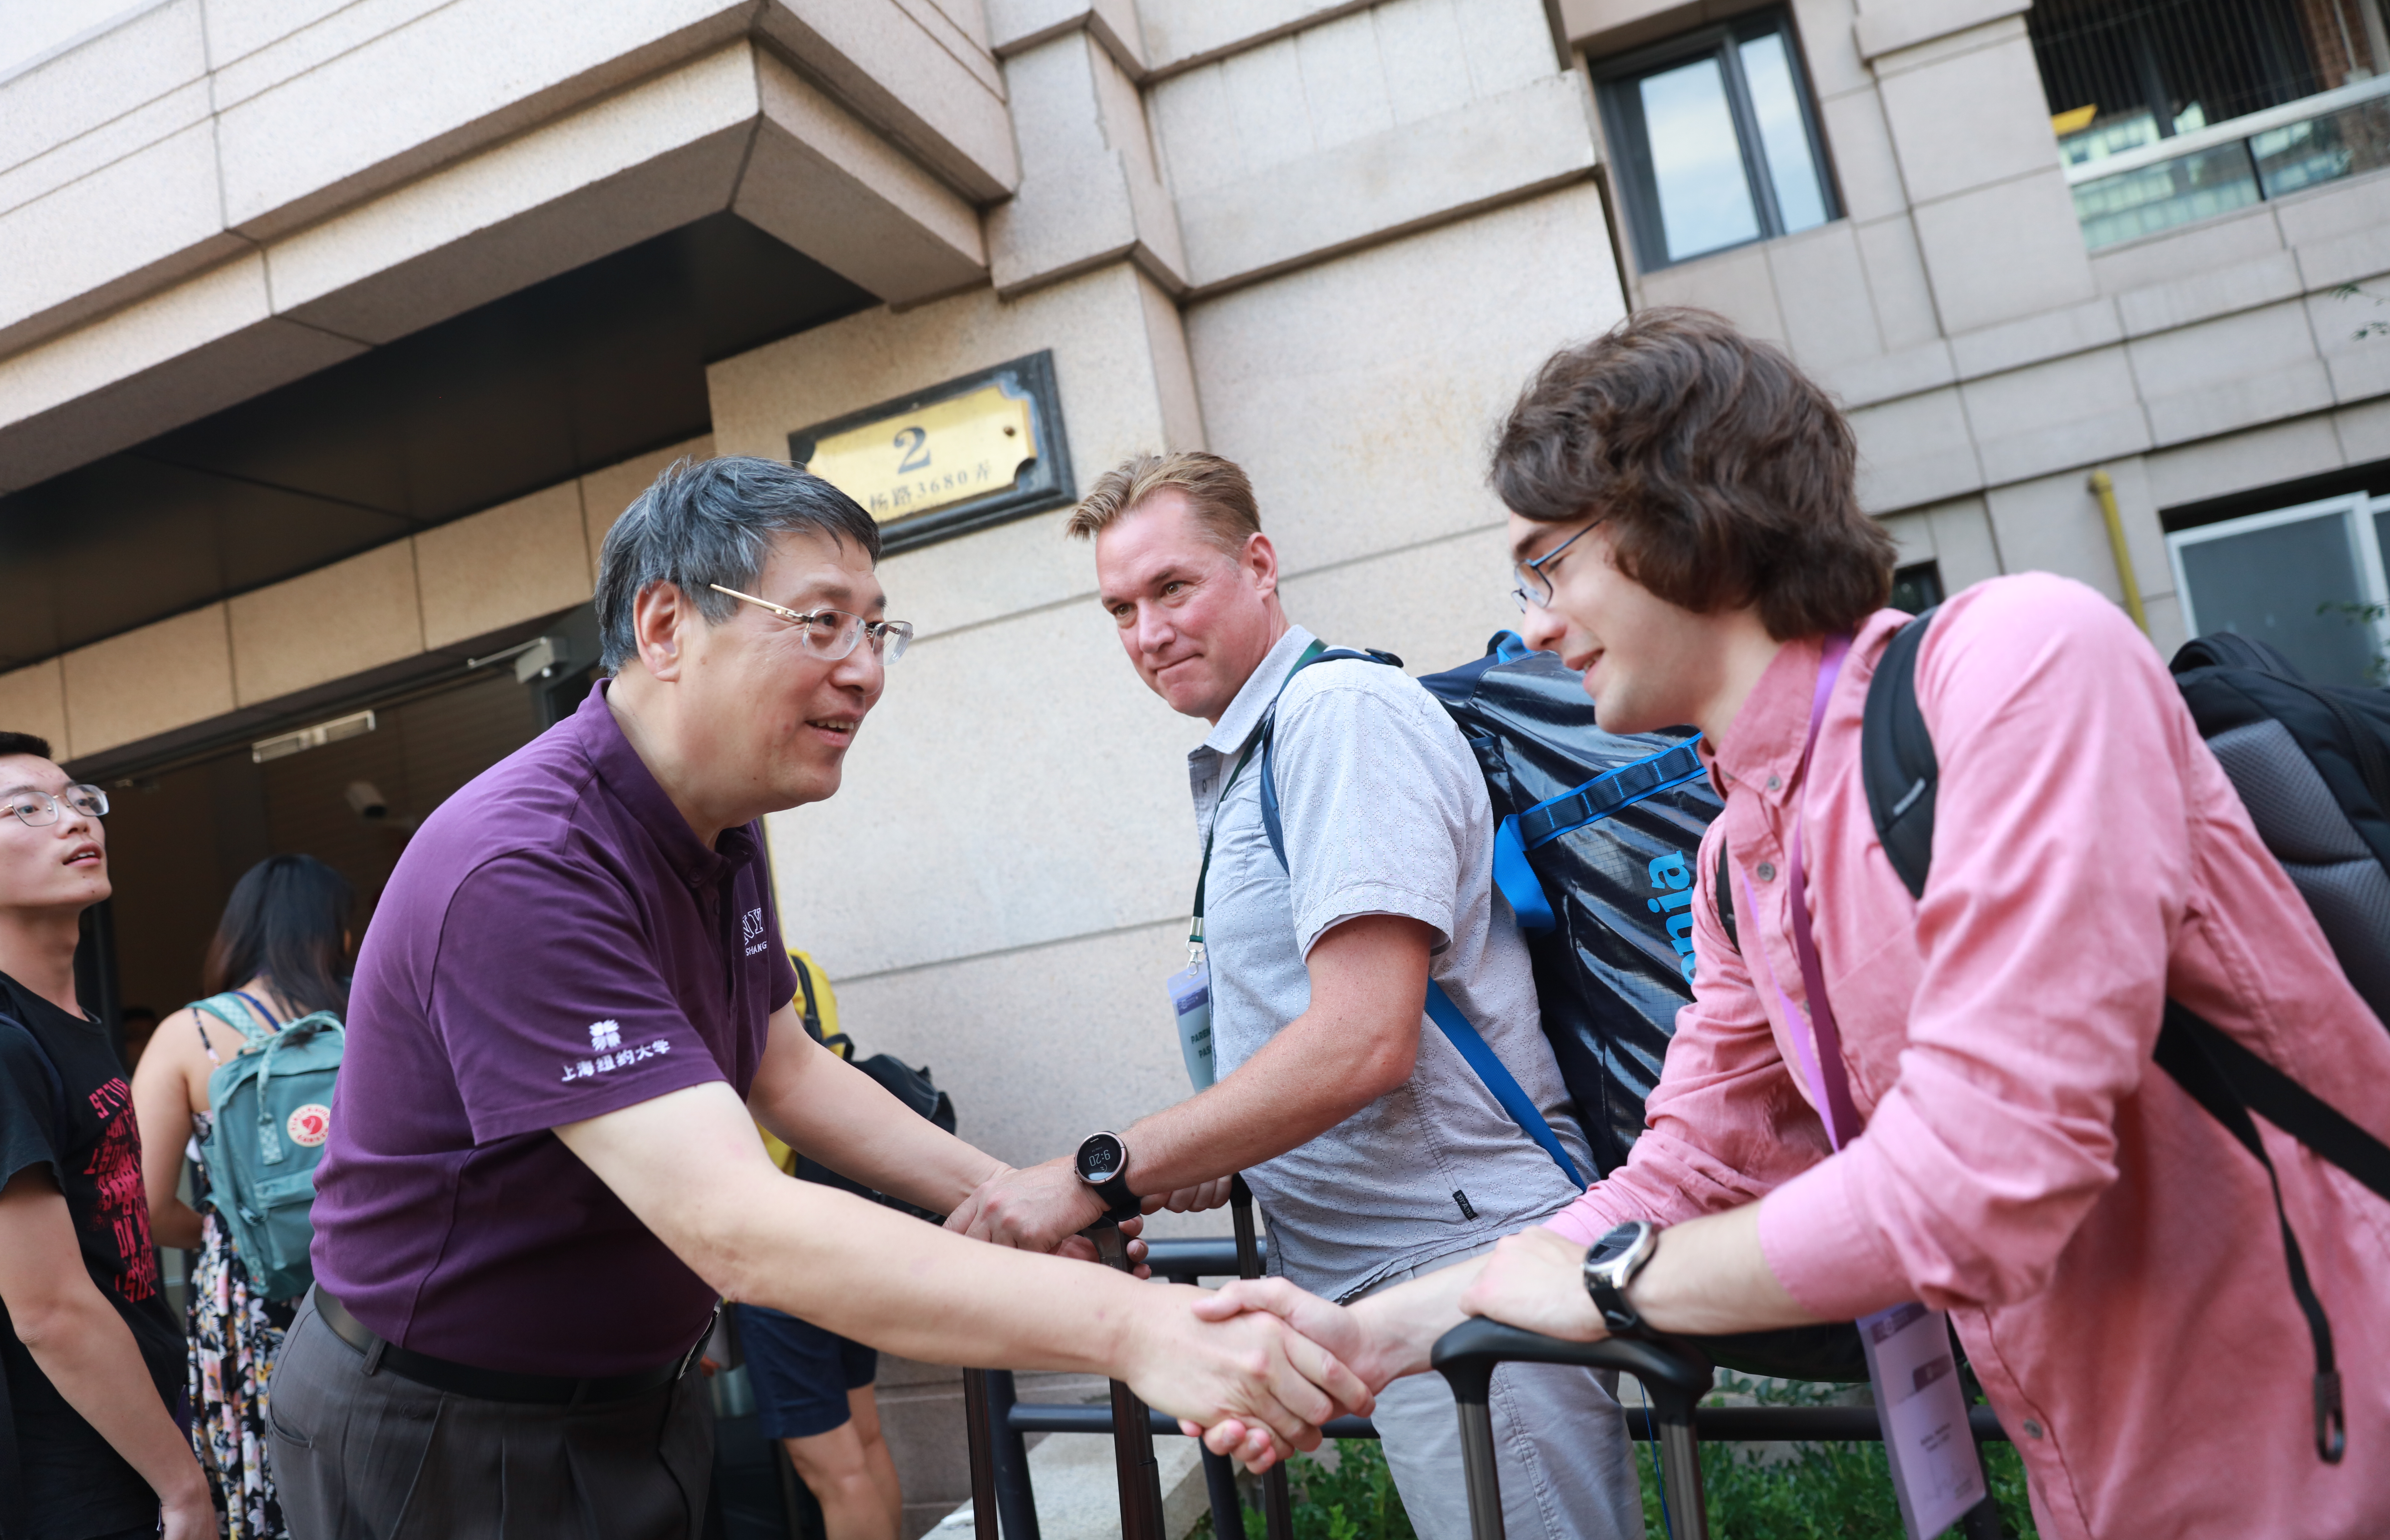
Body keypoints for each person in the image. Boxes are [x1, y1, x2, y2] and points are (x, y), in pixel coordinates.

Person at [1193, 310, 2390, 1540]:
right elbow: (1690, 1174)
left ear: (1679, 513)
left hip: (2329, 1461)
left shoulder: (2022, 661)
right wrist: (1372, 1330)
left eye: (1547, 564)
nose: (1535, 622)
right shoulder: (1740, 852)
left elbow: (1984, 1173)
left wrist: (1609, 1282)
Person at [269, 456, 1369, 1540]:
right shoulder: (523, 865)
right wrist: (1139, 1327)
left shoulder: (717, 818)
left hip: (632, 1400)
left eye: (875, 628)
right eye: (822, 622)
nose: (865, 670)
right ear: (665, 630)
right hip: (445, 1429)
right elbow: (739, 1230)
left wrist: (1014, 1203)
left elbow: (779, 1064)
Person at [944, 454, 1642, 1540]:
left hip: (1456, 1266)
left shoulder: (1337, 719)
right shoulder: (1262, 749)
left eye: (1174, 589)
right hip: (1403, 1281)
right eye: (1120, 609)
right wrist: (1220, 1147)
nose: (1147, 633)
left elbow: (1365, 1042)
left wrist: (1103, 1174)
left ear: (1260, 565)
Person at [0, 732, 212, 1540]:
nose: (73, 821)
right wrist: (181, 1487)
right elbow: (49, 1308)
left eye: (80, 800)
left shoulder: (74, 1024)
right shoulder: (5, 1044)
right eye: (28, 809)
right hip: (68, 1476)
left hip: (131, 1440)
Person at [131, 854, 355, 1540]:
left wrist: (224, 1231)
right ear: (337, 932)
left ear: (237, 933)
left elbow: (140, 1202)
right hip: (371, 1277)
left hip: (247, 1295)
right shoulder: (368, 1011)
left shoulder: (188, 1035)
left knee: (266, 1468)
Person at [741, 952, 902, 1540]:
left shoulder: (717, 967)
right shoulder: (800, 965)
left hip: (776, 1243)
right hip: (848, 1226)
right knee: (864, 1436)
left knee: (832, 1471)